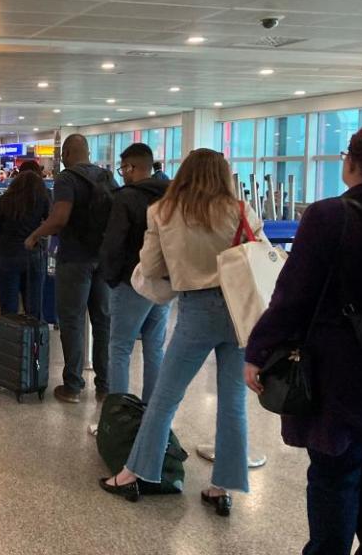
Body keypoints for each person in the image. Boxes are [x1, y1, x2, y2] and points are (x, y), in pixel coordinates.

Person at [245, 126, 362, 552]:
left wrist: (258, 351)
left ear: (350, 161)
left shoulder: (329, 215)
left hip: (340, 374)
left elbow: (294, 294)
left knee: (335, 475)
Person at [99, 148, 263, 514]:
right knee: (233, 402)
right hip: (240, 311)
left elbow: (152, 266)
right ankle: (223, 486)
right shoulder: (240, 210)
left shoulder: (164, 213)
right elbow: (256, 255)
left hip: (197, 309)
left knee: (166, 398)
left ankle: (136, 472)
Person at [25, 134, 118, 403]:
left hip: (75, 259)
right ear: (88, 152)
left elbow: (60, 218)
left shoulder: (66, 178)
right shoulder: (107, 177)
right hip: (102, 258)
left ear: (65, 154)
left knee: (72, 321)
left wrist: (35, 235)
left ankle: (73, 386)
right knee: (102, 321)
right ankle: (104, 386)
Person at [99, 144, 171, 404]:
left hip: (132, 282)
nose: (122, 174)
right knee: (154, 349)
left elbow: (114, 242)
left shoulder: (126, 197)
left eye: (123, 169)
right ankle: (151, 412)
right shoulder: (171, 195)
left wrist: (111, 277)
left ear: (132, 167)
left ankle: (119, 414)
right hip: (164, 283)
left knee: (120, 348)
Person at [0, 170, 50, 318]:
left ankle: (9, 338)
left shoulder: (5, 199)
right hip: (33, 254)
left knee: (8, 308)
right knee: (34, 309)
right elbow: (50, 222)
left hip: (7, 253)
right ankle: (34, 339)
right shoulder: (41, 199)